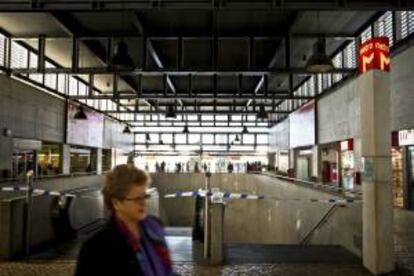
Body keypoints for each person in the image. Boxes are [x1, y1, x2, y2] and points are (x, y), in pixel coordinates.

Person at [75, 164, 173, 276]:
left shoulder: (155, 228)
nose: (143, 203)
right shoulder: (96, 248)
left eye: (144, 196)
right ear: (116, 203)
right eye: (136, 199)